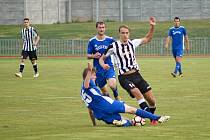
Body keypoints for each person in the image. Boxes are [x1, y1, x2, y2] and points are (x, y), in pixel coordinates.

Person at [99, 17, 158, 124]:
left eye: (127, 33)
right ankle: (153, 117)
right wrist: (103, 65)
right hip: (124, 77)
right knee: (137, 92)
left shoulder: (133, 43)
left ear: (129, 34)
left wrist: (152, 26)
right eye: (123, 33)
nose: (125, 35)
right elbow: (101, 58)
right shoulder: (113, 46)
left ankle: (151, 115)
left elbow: (148, 38)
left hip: (136, 75)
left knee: (152, 100)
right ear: (119, 34)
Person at [80, 62, 170, 127]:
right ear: (88, 76)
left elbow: (90, 110)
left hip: (99, 114)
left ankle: (120, 122)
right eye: (94, 75)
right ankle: (157, 117)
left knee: (127, 122)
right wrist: (89, 72)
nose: (95, 77)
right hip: (107, 104)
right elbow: (86, 84)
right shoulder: (88, 83)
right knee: (132, 110)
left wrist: (94, 124)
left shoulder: (82, 92)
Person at [87, 21, 120, 100]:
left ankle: (116, 95)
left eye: (103, 27)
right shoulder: (92, 41)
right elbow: (88, 56)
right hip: (98, 69)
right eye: (100, 27)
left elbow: (118, 49)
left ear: (105, 28)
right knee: (104, 92)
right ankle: (109, 103)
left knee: (112, 85)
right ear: (96, 28)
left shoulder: (110, 40)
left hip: (109, 66)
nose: (101, 29)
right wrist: (93, 56)